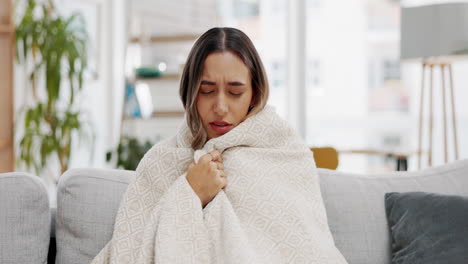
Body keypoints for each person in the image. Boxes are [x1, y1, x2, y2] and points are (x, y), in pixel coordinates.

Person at [91, 27, 348, 264]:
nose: (221, 107)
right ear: (190, 91)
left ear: (255, 94)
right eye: (206, 90)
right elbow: (131, 249)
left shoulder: (286, 152)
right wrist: (190, 191)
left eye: (235, 92)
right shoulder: (162, 161)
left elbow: (311, 248)